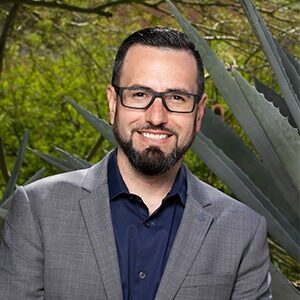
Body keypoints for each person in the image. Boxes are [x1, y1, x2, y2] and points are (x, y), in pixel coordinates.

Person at [0, 27, 272, 300]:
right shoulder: (38, 210)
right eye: (140, 94)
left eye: (176, 98)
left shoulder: (243, 232)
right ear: (113, 103)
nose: (156, 116)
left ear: (199, 113)